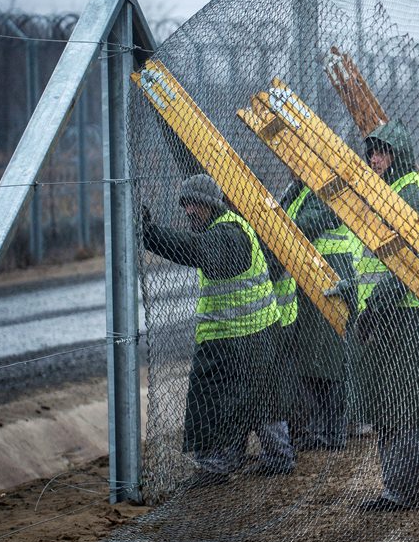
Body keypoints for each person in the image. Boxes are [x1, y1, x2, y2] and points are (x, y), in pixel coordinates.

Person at [141, 174, 295, 487]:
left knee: (231, 400)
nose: (189, 211)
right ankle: (254, 460)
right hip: (241, 336)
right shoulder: (222, 230)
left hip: (247, 336)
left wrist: (150, 235)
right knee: (246, 400)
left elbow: (196, 251)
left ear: (211, 204)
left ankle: (234, 463)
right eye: (185, 204)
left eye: (194, 204)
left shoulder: (229, 233)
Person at [353, 120, 419, 511]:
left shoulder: (409, 197)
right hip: (399, 317)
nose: (375, 159)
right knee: (413, 408)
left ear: (399, 156)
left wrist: (375, 308)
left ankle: (403, 491)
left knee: (402, 408)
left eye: (383, 152)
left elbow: (413, 268)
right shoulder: (395, 193)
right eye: (372, 152)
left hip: (405, 318)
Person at [278, 175, 362, 451]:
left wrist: (274, 227)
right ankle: (319, 429)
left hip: (330, 279)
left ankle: (333, 431)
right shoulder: (298, 191)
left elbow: (303, 226)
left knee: (330, 362)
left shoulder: (325, 190)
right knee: (313, 361)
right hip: (311, 283)